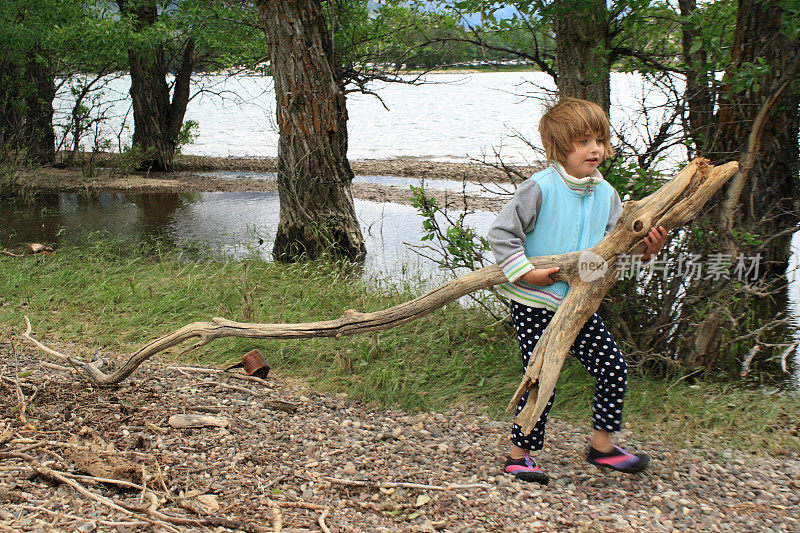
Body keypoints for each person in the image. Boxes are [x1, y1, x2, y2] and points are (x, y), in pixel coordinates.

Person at [487, 97, 667, 485]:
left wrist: (645, 250)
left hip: (580, 304)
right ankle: (519, 456)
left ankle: (601, 446)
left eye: (600, 140)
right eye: (584, 141)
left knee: (613, 367)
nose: (595, 149)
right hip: (535, 302)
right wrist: (525, 274)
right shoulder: (540, 188)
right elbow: (503, 234)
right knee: (540, 378)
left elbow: (614, 252)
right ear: (559, 147)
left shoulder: (607, 195)